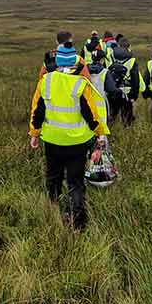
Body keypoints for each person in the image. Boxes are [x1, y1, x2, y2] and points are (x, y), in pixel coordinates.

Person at [30, 42, 109, 231]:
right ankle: (79, 224)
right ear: (75, 63)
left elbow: (37, 111)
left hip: (52, 141)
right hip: (77, 143)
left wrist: (34, 134)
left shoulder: (45, 81)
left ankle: (53, 212)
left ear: (57, 62)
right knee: (75, 182)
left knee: (53, 178)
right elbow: (92, 115)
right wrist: (100, 135)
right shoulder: (82, 84)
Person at [105, 37, 143, 126]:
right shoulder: (132, 60)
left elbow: (105, 73)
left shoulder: (110, 56)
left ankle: (111, 131)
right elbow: (135, 80)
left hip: (112, 90)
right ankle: (126, 131)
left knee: (112, 115)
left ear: (118, 45)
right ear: (129, 46)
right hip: (127, 93)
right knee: (127, 117)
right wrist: (134, 96)